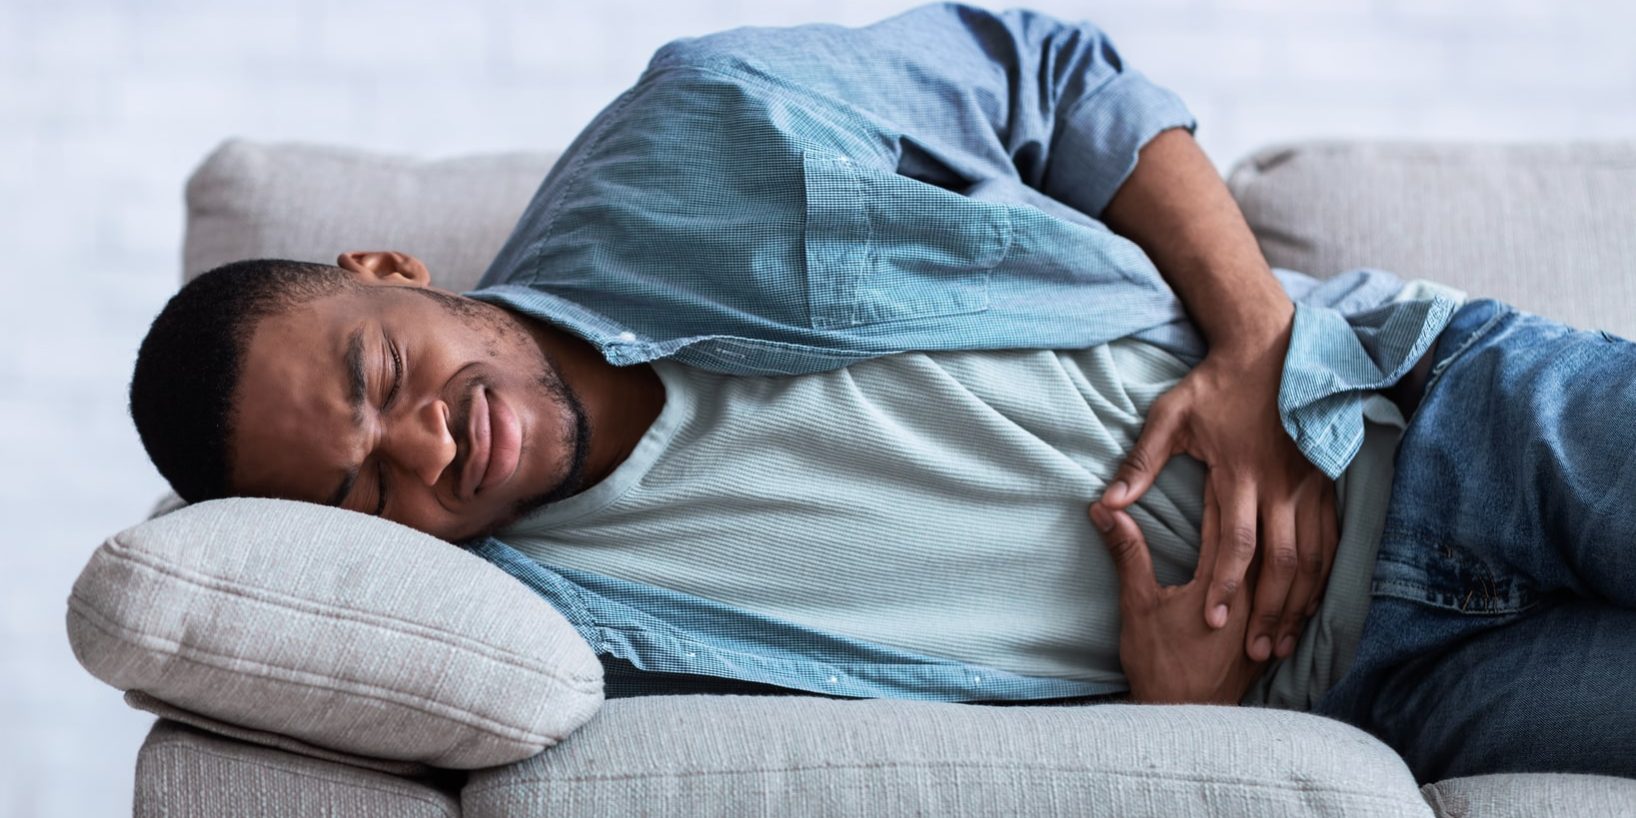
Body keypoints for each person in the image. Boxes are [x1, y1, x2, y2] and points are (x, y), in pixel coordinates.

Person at [126, 4, 1634, 783]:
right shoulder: (580, 651)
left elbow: (1051, 71)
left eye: (380, 375)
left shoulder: (696, 127)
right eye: (367, 488)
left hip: (1425, 408)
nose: (427, 442)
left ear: (387, 266)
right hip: (1373, 685)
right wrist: (1191, 722)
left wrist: (1252, 352)